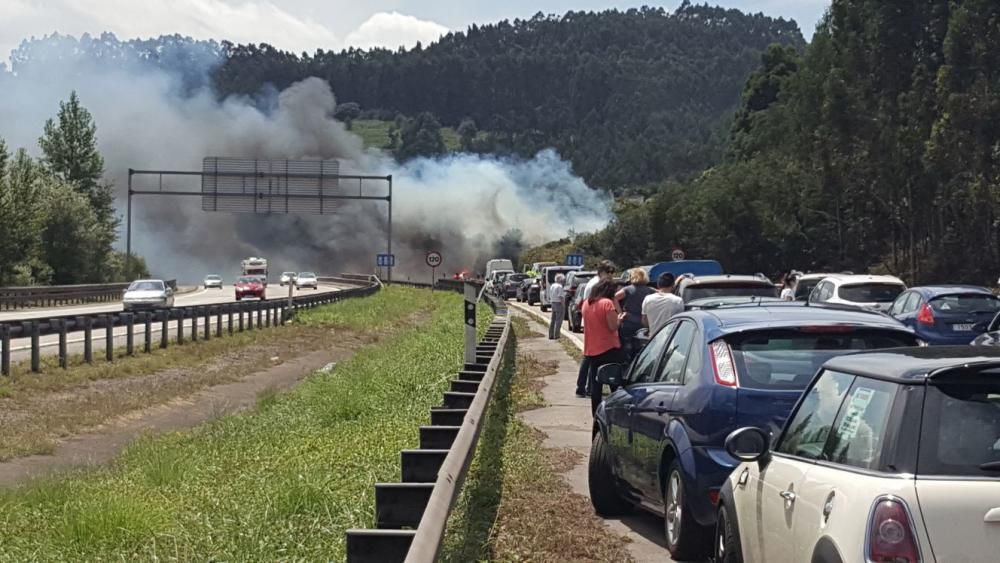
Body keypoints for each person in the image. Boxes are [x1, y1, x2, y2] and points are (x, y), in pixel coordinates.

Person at [583, 279, 626, 414]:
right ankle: (615, 411)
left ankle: (596, 413)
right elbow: (613, 326)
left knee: (596, 384)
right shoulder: (606, 304)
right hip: (609, 348)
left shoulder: (586, 303)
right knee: (614, 382)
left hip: (591, 348)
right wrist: (620, 319)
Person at [575, 260, 616, 397]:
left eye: (612, 273)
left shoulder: (595, 283)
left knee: (589, 357)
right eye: (609, 272)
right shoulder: (596, 285)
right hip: (596, 323)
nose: (611, 275)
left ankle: (584, 387)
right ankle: (586, 387)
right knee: (592, 359)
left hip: (592, 322)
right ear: (602, 272)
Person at [615, 268, 655, 359]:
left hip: (628, 321)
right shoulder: (650, 290)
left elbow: (615, 298)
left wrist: (620, 312)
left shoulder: (628, 289)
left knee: (625, 346)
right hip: (643, 323)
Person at [548, 273, 566, 340]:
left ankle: (551, 334)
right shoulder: (560, 286)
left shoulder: (552, 285)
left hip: (553, 303)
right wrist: (563, 305)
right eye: (562, 279)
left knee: (553, 320)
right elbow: (561, 297)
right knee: (559, 320)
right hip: (558, 304)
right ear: (560, 279)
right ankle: (557, 335)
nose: (563, 281)